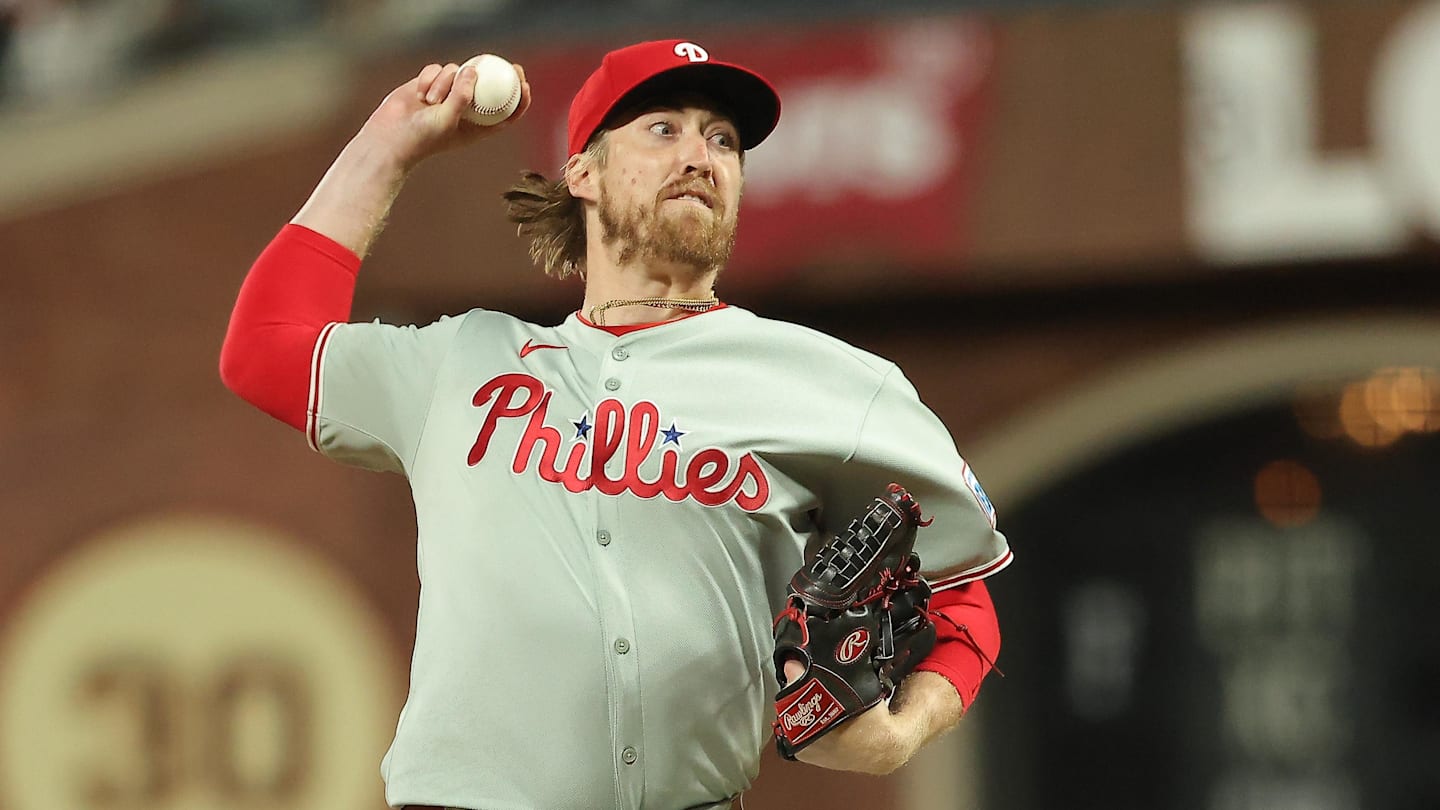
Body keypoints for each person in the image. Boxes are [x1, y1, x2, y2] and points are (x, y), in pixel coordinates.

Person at [220, 38, 1012, 810]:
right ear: (584, 173)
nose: (700, 155)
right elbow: (264, 351)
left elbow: (960, 587)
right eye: (663, 129)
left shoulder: (835, 384)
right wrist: (386, 147)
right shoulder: (461, 360)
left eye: (724, 140)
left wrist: (905, 730)